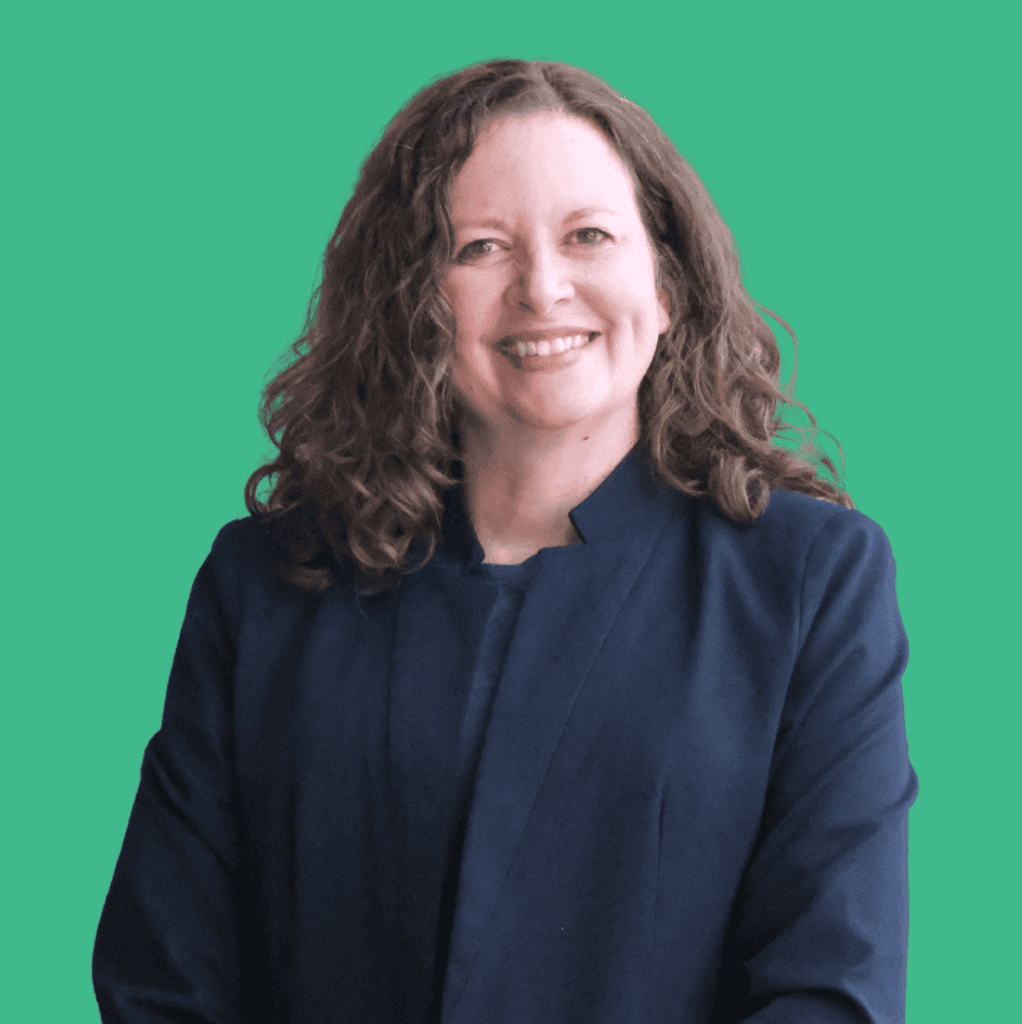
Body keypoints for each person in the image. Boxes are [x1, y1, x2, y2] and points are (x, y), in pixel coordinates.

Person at [93, 59, 917, 1024]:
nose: (542, 287)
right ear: (411, 301)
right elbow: (163, 980)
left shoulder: (812, 581)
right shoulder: (265, 585)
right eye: (481, 247)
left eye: (589, 235)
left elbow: (828, 990)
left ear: (669, 285)